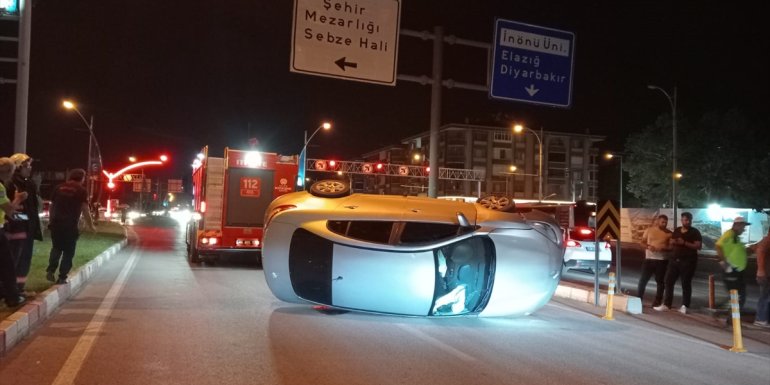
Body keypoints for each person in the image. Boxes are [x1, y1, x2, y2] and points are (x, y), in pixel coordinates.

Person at [46, 169, 96, 284]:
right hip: (70, 225)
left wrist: (50, 221)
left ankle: (51, 270)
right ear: (82, 178)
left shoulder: (58, 187)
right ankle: (62, 277)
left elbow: (52, 206)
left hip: (56, 223)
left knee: (56, 247)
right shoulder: (81, 190)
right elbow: (85, 209)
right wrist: (91, 225)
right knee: (69, 251)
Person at [6, 153, 43, 294]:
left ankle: (19, 289)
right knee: (13, 260)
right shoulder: (10, 184)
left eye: (30, 166)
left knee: (24, 260)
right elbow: (10, 209)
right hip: (15, 229)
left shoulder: (29, 183)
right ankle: (9, 291)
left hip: (27, 229)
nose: (30, 169)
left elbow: (32, 208)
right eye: (27, 166)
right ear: (17, 167)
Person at [660, 212, 702, 313]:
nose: (686, 222)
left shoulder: (695, 232)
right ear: (681, 220)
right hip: (674, 260)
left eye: (688, 220)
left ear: (691, 221)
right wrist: (673, 242)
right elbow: (671, 241)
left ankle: (685, 306)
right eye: (684, 220)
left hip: (688, 262)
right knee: (668, 282)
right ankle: (666, 304)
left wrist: (684, 243)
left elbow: (698, 246)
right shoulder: (677, 230)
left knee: (685, 283)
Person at [0, 157, 27, 307]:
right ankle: (13, 298)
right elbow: (9, 210)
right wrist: (17, 199)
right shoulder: (0, 187)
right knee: (8, 265)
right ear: (9, 172)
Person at [715, 216, 751, 316]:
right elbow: (718, 245)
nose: (744, 229)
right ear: (737, 225)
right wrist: (724, 263)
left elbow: (737, 251)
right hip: (732, 270)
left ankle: (726, 314)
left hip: (737, 271)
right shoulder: (729, 234)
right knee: (738, 296)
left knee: (737, 295)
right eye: (743, 226)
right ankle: (729, 316)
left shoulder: (736, 237)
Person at [638, 214, 672, 309]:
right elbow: (642, 242)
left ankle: (657, 301)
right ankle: (639, 299)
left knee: (660, 282)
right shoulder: (649, 230)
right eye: (662, 222)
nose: (664, 224)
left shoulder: (669, 233)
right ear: (657, 221)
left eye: (666, 222)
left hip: (662, 260)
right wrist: (648, 247)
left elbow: (671, 247)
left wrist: (664, 248)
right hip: (649, 259)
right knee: (643, 280)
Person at [750, 227, 770, 328]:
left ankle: (763, 318)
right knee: (765, 297)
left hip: (765, 274)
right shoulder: (767, 240)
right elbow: (760, 251)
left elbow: (754, 248)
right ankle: (760, 319)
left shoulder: (764, 240)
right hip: (766, 274)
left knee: (766, 296)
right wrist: (761, 270)